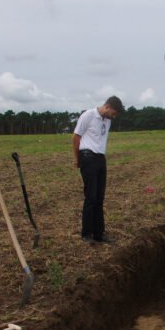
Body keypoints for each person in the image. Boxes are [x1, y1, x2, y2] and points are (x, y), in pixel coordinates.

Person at [73, 96, 125, 244]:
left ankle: (99, 233)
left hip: (101, 159)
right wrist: (78, 159)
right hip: (87, 157)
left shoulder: (107, 121)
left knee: (100, 198)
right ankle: (86, 234)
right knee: (91, 197)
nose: (114, 117)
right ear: (107, 107)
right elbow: (76, 137)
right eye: (114, 113)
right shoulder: (88, 115)